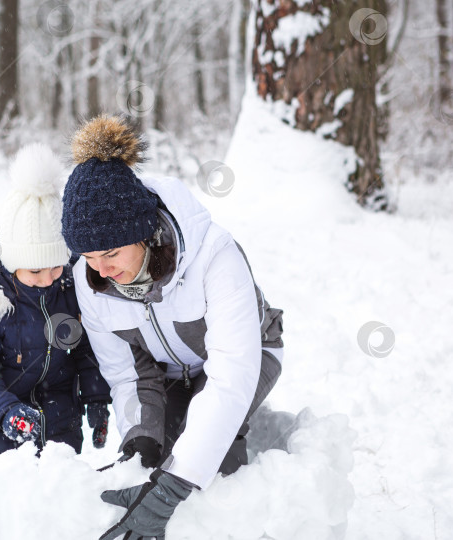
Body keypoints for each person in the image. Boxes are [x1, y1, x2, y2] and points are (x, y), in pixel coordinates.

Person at [60, 116, 285, 539]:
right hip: (163, 371)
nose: (101, 270)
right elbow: (127, 373)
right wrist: (140, 439)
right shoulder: (89, 281)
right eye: (88, 256)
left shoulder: (215, 257)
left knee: (208, 467)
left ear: (143, 233)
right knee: (151, 458)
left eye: (110, 252)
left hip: (250, 354)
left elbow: (230, 376)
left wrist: (173, 488)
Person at [0, 143, 111, 457]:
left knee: (57, 492)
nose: (47, 278)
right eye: (35, 270)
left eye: (55, 266)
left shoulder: (69, 289)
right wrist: (7, 411)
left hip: (60, 419)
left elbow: (86, 349)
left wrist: (97, 397)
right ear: (12, 262)